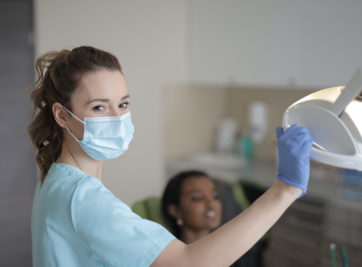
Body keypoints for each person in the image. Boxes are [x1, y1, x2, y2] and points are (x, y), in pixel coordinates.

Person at [27, 46, 313, 267]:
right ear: (62, 115)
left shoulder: (56, 177)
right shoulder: (81, 196)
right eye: (99, 108)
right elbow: (186, 263)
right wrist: (285, 190)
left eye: (123, 104)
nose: (118, 118)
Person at [161, 170, 253, 267]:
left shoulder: (234, 253)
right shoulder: (166, 258)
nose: (211, 203)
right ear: (175, 211)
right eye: (197, 198)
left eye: (214, 196)